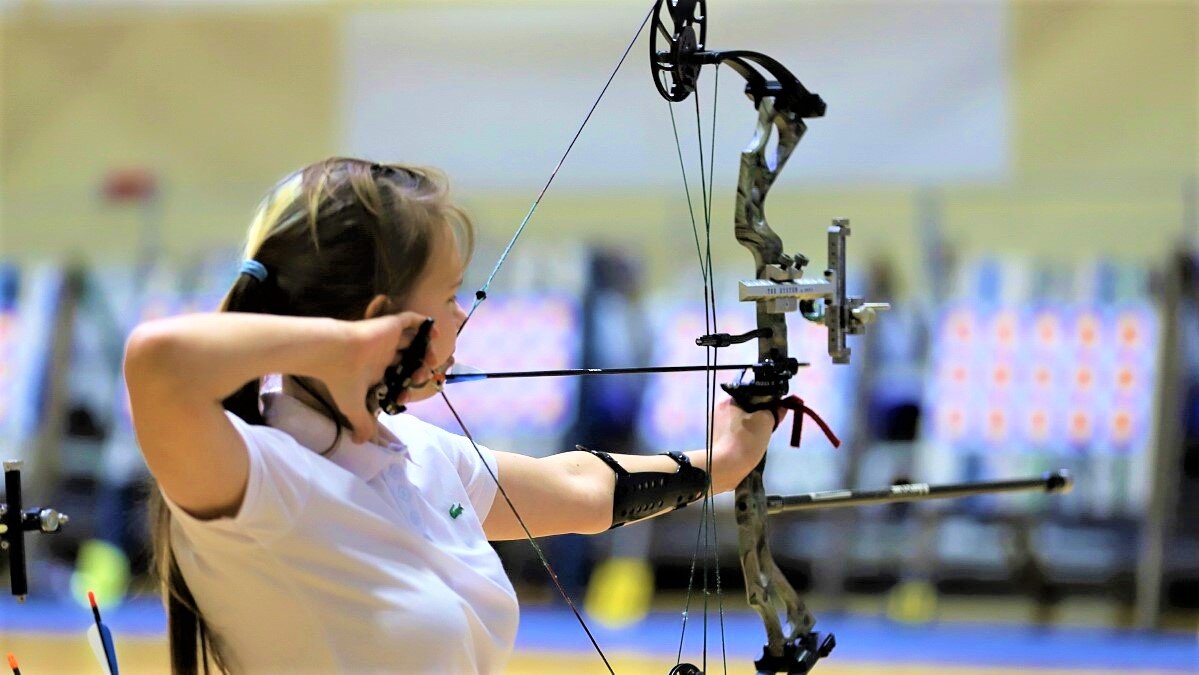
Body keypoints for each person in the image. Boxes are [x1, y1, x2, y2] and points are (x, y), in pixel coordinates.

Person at [124, 157, 782, 674]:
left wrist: (721, 462)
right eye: (446, 296)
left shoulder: (414, 453)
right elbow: (156, 362)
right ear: (387, 318)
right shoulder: (258, 478)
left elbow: (584, 490)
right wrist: (348, 343)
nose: (463, 316)